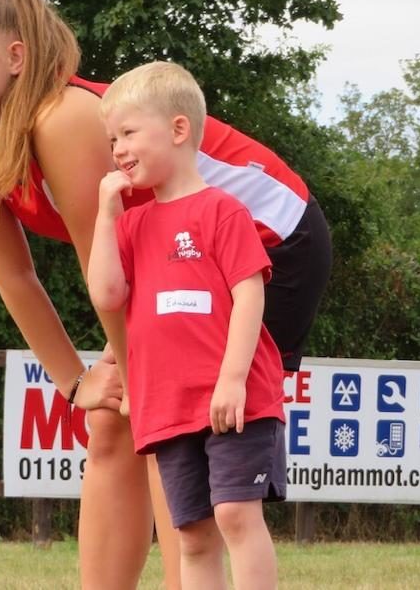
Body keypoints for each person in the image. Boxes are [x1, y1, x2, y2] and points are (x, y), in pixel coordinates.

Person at [0, 0, 331, 590]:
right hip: (167, 260)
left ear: (14, 58)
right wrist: (76, 383)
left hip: (270, 236)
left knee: (171, 417)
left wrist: (142, 386)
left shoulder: (61, 118)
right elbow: (14, 276)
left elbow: (106, 273)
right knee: (112, 416)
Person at [88, 61, 286, 590]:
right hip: (168, 405)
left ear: (178, 130)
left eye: (129, 133)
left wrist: (232, 379)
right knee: (192, 535)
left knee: (236, 517)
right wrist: (105, 217)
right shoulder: (130, 224)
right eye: (112, 140)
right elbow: (106, 294)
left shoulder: (223, 210)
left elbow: (250, 293)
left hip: (234, 397)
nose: (119, 149)